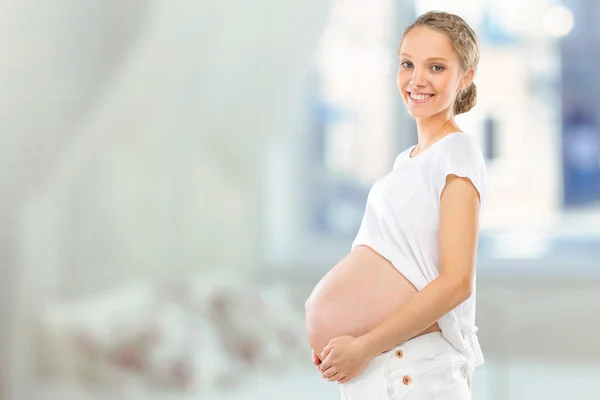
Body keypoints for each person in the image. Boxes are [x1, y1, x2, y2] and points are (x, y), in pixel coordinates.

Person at [304, 11, 486, 399]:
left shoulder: (457, 153)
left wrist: (364, 344)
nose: (417, 79)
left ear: (465, 77)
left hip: (412, 372)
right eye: (407, 64)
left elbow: (457, 283)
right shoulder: (409, 160)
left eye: (436, 67)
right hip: (378, 371)